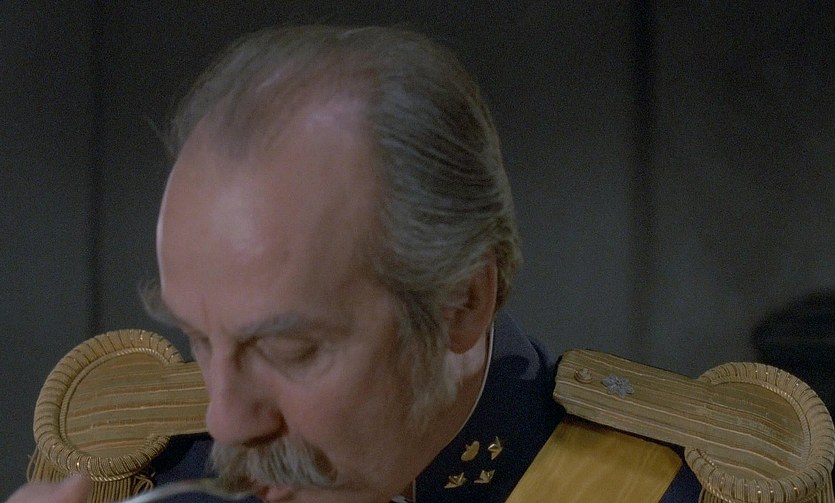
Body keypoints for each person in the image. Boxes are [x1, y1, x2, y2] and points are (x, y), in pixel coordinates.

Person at [15, 25, 824, 503]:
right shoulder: (136, 470)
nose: (226, 420)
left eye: (289, 349)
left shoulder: (674, 493)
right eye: (197, 337)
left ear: (461, 301)